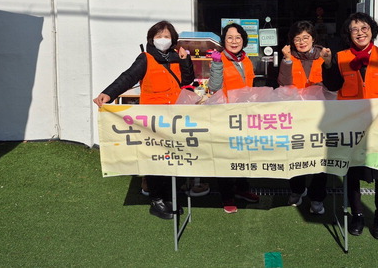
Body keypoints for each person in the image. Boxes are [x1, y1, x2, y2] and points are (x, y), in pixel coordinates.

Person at [93, 20, 196, 220]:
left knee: (173, 157)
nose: (163, 39)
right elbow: (128, 77)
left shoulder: (177, 56)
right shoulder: (145, 58)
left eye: (167, 36)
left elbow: (187, 80)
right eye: (159, 36)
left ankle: (170, 197)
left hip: (174, 118)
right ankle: (157, 200)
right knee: (156, 159)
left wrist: (185, 61)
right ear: (151, 39)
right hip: (152, 120)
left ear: (173, 39)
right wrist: (108, 93)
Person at [321, 12, 378, 240]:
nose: (360, 33)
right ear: (348, 34)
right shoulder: (340, 57)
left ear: (372, 30)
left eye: (364, 28)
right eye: (354, 29)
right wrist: (328, 63)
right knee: (353, 174)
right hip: (353, 127)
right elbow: (332, 85)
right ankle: (357, 216)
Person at [278, 20, 331, 215]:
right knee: (295, 154)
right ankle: (297, 190)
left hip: (321, 116)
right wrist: (287, 60)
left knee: (320, 158)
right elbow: (283, 84)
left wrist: (329, 62)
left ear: (313, 38)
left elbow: (334, 83)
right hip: (296, 116)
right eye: (297, 38)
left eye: (306, 37)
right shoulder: (289, 57)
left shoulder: (324, 55)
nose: (302, 42)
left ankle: (317, 197)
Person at [208, 22, 260, 213]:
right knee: (226, 156)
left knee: (244, 154)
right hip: (225, 116)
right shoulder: (219, 59)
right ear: (224, 41)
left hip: (245, 114)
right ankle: (227, 196)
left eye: (238, 37)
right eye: (229, 37)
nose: (234, 41)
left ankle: (242, 189)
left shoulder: (246, 60)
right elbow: (213, 87)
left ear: (243, 40)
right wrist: (216, 65)